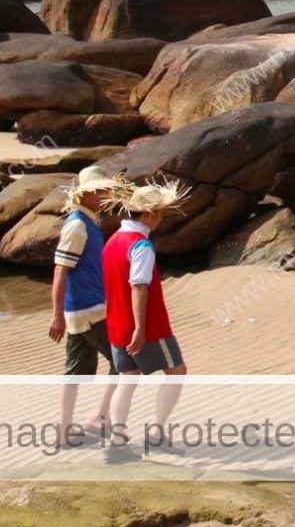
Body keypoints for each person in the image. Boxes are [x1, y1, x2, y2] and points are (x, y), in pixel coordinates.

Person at [102, 179, 191, 463]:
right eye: (161, 213)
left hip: (116, 323)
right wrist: (140, 328)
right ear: (149, 214)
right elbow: (139, 287)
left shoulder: (113, 241)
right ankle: (156, 432)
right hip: (147, 325)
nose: (162, 218)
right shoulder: (140, 246)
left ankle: (117, 442)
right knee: (177, 371)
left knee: (127, 379)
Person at [48, 166, 118, 447]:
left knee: (75, 371)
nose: (104, 195)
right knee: (125, 361)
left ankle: (65, 430)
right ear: (85, 194)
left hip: (81, 310)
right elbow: (60, 269)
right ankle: (99, 418)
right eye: (99, 191)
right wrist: (56, 315)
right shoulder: (78, 225)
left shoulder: (86, 222)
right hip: (90, 308)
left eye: (105, 190)